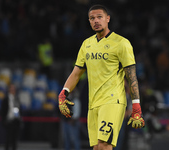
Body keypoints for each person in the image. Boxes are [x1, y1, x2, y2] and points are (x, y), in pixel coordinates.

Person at [58, 4, 145, 150]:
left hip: (113, 100)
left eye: (99, 17)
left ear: (108, 19)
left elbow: (131, 76)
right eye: (92, 18)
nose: (96, 21)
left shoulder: (121, 43)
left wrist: (136, 104)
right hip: (93, 103)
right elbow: (76, 73)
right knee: (98, 147)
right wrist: (63, 93)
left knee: (105, 146)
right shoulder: (87, 44)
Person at [0, 84, 22, 150]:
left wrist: (19, 118)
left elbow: (19, 109)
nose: (13, 90)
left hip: (16, 121)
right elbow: (3, 111)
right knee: (8, 139)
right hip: (8, 121)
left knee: (15, 139)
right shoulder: (5, 99)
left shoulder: (17, 99)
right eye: (11, 89)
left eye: (14, 89)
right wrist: (4, 120)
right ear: (9, 90)